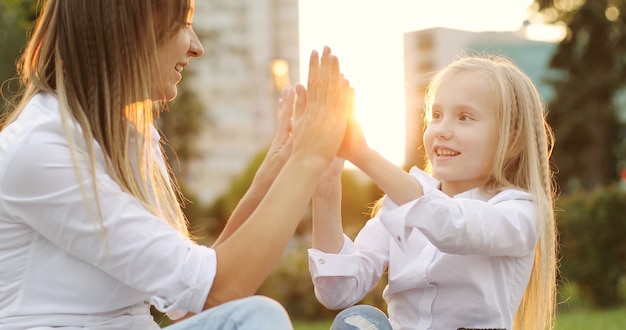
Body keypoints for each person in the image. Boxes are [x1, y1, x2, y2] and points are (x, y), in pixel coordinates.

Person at [0, 0, 353, 329]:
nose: (197, 47)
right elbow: (220, 288)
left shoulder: (131, 140)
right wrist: (308, 159)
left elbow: (192, 300)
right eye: (183, 24)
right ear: (130, 29)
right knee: (256, 319)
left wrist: (273, 172)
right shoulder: (40, 149)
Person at [309, 55, 558, 330]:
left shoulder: (519, 212)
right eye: (436, 115)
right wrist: (326, 185)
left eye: (464, 117)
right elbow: (338, 290)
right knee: (356, 323)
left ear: (511, 140)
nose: (441, 130)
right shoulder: (399, 203)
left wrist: (363, 155)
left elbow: (454, 226)